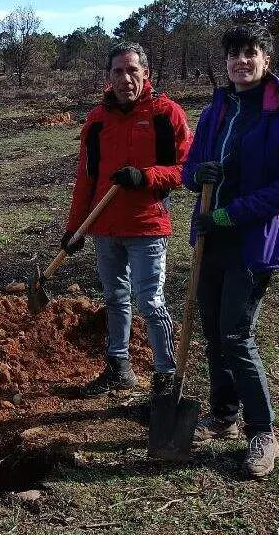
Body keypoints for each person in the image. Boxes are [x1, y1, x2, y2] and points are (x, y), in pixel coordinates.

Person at [182, 24, 279, 478]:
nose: (242, 61)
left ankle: (263, 432)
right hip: (210, 235)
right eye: (234, 54)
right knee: (213, 329)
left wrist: (230, 213)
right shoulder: (217, 108)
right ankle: (223, 412)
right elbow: (189, 169)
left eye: (251, 53)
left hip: (255, 238)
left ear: (266, 60)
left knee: (236, 333)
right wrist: (199, 174)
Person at [62, 41, 192, 401]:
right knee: (115, 298)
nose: (125, 78)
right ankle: (118, 367)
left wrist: (146, 177)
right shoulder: (97, 120)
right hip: (104, 226)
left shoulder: (167, 115)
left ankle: (166, 378)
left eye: (132, 70)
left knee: (151, 302)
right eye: (117, 71)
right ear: (108, 77)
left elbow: (187, 170)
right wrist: (75, 228)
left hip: (147, 225)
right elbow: (86, 177)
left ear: (145, 73)